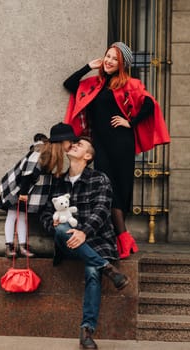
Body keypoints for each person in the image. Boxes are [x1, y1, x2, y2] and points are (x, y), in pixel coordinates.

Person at [63, 42, 170, 259]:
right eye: (108, 56)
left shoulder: (129, 84)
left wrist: (130, 122)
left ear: (122, 65)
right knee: (108, 189)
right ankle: (122, 238)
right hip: (100, 145)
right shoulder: (93, 83)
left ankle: (121, 239)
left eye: (115, 59)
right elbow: (70, 83)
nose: (110, 61)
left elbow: (150, 105)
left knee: (120, 190)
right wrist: (88, 66)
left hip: (122, 143)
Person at [40, 137, 129, 349]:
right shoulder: (58, 181)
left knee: (91, 272)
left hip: (97, 241)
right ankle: (107, 268)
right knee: (61, 229)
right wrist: (50, 223)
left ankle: (86, 331)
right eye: (75, 143)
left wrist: (84, 232)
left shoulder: (100, 179)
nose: (75, 145)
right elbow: (44, 212)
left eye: (81, 145)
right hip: (67, 241)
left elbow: (101, 210)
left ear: (88, 156)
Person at [0, 123, 78, 258]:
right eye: (70, 141)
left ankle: (22, 246)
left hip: (27, 191)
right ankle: (9, 245)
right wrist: (22, 194)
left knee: (22, 217)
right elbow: (27, 175)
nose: (72, 144)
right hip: (18, 189)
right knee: (12, 216)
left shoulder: (53, 155)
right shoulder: (41, 153)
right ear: (62, 141)